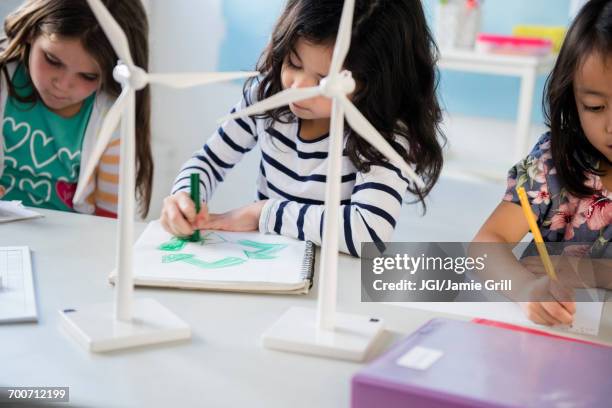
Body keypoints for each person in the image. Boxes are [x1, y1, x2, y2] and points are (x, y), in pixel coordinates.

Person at [161, 0, 445, 257]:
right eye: (293, 63)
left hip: (335, 281)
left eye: (323, 80)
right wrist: (184, 197)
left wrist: (262, 213)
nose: (298, 88)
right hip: (268, 264)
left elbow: (368, 233)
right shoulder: (267, 98)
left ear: (376, 82)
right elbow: (209, 161)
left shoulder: (384, 135)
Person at [474, 0, 612, 326]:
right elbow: (484, 246)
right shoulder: (554, 161)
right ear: (572, 100)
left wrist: (594, 272)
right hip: (546, 340)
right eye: (594, 106)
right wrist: (525, 290)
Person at [0, 0, 153, 217]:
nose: (62, 84)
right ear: (31, 32)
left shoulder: (113, 121)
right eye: (52, 60)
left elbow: (110, 220)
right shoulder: (3, 80)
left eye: (88, 76)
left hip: (72, 238)